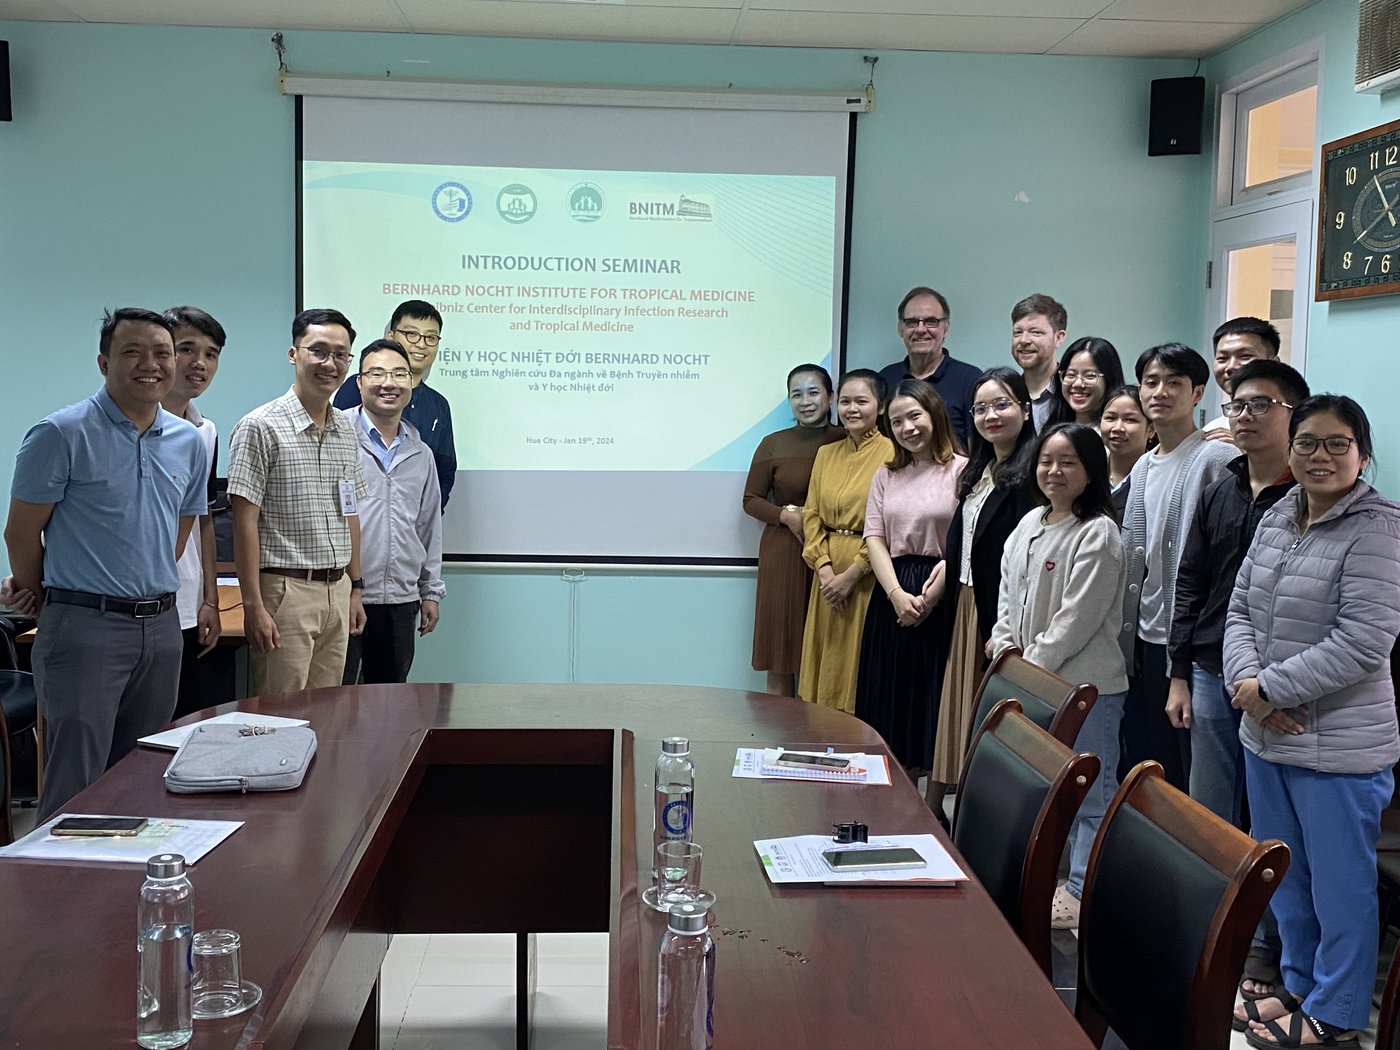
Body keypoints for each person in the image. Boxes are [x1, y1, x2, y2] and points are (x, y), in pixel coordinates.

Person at [1226, 395, 1400, 1049]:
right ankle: (1297, 989)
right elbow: (1239, 607)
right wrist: (1251, 691)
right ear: (1290, 447)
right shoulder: (1277, 514)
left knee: (1340, 885)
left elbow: (1364, 640)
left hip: (1341, 747)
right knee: (1287, 879)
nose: (1320, 456)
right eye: (1307, 443)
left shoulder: (1379, 527)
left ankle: (1337, 1015)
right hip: (1266, 737)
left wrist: (1266, 687)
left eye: (1337, 443)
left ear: (1362, 452)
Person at [4, 308, 206, 820]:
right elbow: (21, 531)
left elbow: (179, 529)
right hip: (84, 628)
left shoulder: (188, 441)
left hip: (160, 629)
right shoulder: (61, 432)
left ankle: (122, 893)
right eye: (132, 352)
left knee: (141, 774)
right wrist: (46, 597)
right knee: (77, 782)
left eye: (162, 353)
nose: (151, 365)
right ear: (104, 361)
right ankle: (58, 895)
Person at [1167, 358, 1307, 1002]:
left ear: (1293, 413)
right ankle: (1209, 933)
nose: (1245, 416)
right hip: (1209, 668)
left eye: (1262, 404)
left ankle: (1262, 946)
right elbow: (1191, 578)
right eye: (1238, 405)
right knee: (1210, 815)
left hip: (1277, 687)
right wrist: (1178, 672)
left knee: (1270, 823)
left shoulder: (1309, 495)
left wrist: (1272, 685)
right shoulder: (1221, 482)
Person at [992, 423, 1127, 931]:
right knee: (1047, 786)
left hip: (1087, 687)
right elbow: (1008, 597)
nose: (1055, 471)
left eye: (1068, 461)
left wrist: (1028, 667)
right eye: (1047, 460)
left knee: (1093, 789)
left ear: (1091, 469)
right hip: (1032, 681)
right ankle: (1050, 874)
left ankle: (1079, 889)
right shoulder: (1029, 521)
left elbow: (1077, 619)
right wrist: (1005, 647)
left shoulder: (1099, 532)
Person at [228, 308, 368, 697]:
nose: (330, 364)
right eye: (318, 351)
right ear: (294, 354)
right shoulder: (260, 426)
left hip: (336, 590)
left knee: (327, 713)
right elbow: (244, 523)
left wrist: (355, 587)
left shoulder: (345, 428)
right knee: (280, 715)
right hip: (285, 591)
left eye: (341, 355)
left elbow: (349, 511)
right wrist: (253, 605)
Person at [1118, 343, 1236, 791]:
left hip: (1188, 642)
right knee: (1154, 763)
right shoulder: (1144, 464)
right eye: (1151, 382)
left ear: (1198, 392)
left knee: (1193, 774)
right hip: (1146, 637)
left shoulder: (1216, 458)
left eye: (1174, 383)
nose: (1160, 391)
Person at [927, 368, 1035, 813]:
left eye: (1002, 404)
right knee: (959, 709)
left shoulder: (1033, 471)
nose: (991, 415)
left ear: (1026, 411)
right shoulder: (981, 467)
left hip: (1000, 609)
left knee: (994, 715)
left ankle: (985, 817)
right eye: (981, 408)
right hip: (966, 601)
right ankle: (946, 808)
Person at [853, 379, 965, 775]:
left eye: (914, 415)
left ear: (934, 413)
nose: (907, 428)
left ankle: (929, 806)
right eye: (897, 421)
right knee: (887, 701)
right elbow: (874, 537)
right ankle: (885, 795)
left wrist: (930, 598)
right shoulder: (886, 474)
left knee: (929, 704)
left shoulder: (962, 470)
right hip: (892, 592)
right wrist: (897, 595)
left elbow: (968, 539)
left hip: (942, 587)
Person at [341, 340, 446, 685]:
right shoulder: (335, 437)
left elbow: (428, 526)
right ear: (359, 382)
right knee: (333, 702)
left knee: (387, 708)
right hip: (341, 596)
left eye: (399, 374)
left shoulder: (421, 453)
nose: (390, 383)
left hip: (401, 601)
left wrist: (430, 590)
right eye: (377, 373)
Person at [742, 364, 844, 697]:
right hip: (785, 551)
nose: (805, 401)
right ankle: (778, 737)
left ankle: (822, 735)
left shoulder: (848, 440)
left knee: (830, 647)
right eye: (796, 394)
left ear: (830, 396)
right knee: (781, 649)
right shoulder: (773, 443)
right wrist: (786, 516)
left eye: (813, 392)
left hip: (835, 551)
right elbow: (751, 500)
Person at [797, 369, 894, 713]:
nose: (852, 409)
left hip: (866, 572)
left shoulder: (892, 453)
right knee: (823, 665)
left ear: (881, 407)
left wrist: (852, 574)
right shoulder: (827, 454)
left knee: (856, 668)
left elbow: (888, 523)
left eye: (862, 401)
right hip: (825, 572)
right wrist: (823, 569)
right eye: (846, 401)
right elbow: (811, 514)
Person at [162, 306, 237, 719]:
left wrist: (210, 598)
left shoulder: (204, 431)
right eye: (186, 349)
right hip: (135, 601)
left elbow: (204, 518)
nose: (199, 363)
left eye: (211, 353)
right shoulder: (130, 424)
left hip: (186, 599)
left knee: (186, 720)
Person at [335, 300, 457, 508]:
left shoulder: (438, 405)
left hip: (410, 527)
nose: (421, 344)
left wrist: (427, 511)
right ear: (390, 336)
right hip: (358, 523)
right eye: (411, 334)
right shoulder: (360, 387)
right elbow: (336, 457)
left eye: (430, 337)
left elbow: (444, 470)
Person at [877, 287, 981, 446]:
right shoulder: (886, 378)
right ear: (900, 328)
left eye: (930, 322)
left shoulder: (970, 379)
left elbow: (979, 448)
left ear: (946, 328)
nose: (920, 329)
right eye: (911, 322)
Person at [1204, 316, 1281, 436]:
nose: (1231, 367)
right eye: (1222, 358)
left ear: (1274, 363)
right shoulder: (1212, 432)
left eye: (1245, 356)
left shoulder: (1298, 424)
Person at [1010, 293, 1068, 431]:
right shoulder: (1006, 394)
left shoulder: (1072, 393)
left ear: (1059, 338)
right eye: (1017, 332)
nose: (1024, 340)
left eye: (1035, 332)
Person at [1043, 336, 1124, 429]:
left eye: (1090, 376)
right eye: (1071, 375)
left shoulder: (1115, 434)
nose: (1078, 384)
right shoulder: (1052, 431)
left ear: (1109, 379)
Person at [1099, 385, 1152, 518]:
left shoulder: (1156, 479)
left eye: (1130, 420)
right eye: (1110, 418)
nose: (1117, 428)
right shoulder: (1087, 473)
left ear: (1151, 429)